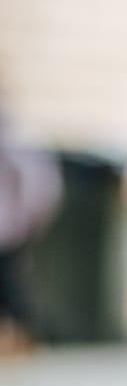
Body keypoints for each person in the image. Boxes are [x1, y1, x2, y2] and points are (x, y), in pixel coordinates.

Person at [0, 95, 61, 356]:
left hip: (8, 230)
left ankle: (25, 337)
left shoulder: (14, 140)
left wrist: (29, 220)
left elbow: (40, 185)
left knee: (11, 289)